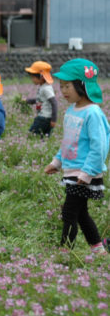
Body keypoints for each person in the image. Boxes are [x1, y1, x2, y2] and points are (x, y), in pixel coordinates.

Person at [44, 58, 110, 255]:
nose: (63, 91)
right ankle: (98, 249)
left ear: (82, 86)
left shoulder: (93, 113)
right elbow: (68, 142)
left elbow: (99, 146)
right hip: (72, 169)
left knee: (69, 212)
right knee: (80, 213)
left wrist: (88, 172)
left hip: (83, 173)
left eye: (67, 86)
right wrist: (57, 162)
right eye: (61, 86)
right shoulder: (72, 111)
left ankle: (66, 251)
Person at [24, 61, 58, 136]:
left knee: (31, 136)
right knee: (43, 138)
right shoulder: (43, 87)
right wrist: (27, 101)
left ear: (41, 77)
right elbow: (39, 100)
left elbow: (54, 103)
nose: (32, 79)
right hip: (44, 117)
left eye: (33, 77)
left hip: (44, 118)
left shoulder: (46, 88)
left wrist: (53, 120)